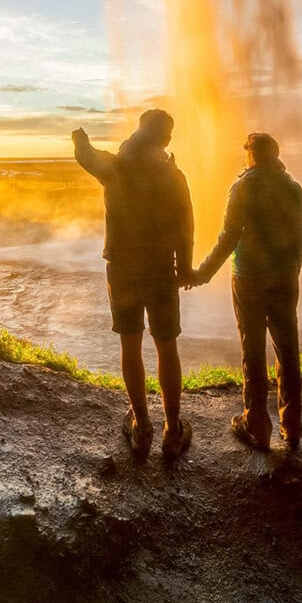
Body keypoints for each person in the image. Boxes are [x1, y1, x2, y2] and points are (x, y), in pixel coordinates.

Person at [72, 111, 195, 458]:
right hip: (160, 270)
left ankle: (141, 426)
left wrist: (80, 138)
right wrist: (184, 268)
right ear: (166, 140)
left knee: (131, 345)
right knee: (166, 346)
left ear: (138, 131)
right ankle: (173, 429)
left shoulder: (116, 167)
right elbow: (187, 226)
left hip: (123, 268)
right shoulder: (174, 176)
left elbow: (86, 157)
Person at [192, 132, 302, 451]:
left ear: (252, 156)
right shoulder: (293, 187)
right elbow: (301, 237)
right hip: (285, 277)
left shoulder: (243, 186)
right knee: (288, 350)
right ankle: (292, 425)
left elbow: (229, 236)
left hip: (249, 278)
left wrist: (202, 273)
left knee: (252, 348)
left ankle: (256, 425)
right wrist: (291, 271)